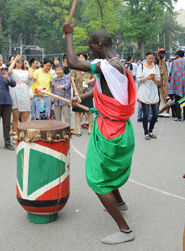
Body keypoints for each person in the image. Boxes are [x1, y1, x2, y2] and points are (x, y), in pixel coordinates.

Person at [64, 22, 137, 245]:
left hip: (110, 130)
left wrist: (69, 34)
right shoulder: (116, 64)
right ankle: (120, 204)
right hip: (117, 127)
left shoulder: (108, 66)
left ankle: (125, 230)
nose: (90, 52)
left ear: (98, 45)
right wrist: (82, 97)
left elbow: (73, 62)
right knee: (105, 170)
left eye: (90, 47)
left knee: (96, 178)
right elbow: (101, 89)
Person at [136, 50, 160, 140]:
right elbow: (138, 79)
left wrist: (154, 79)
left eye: (152, 58)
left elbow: (159, 80)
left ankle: (151, 130)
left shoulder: (156, 66)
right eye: (149, 58)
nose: (151, 60)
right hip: (144, 92)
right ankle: (146, 132)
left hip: (153, 92)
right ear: (146, 57)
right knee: (145, 115)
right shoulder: (141, 66)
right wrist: (147, 78)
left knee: (155, 114)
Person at [8, 55, 33, 137]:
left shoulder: (26, 71)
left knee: (24, 117)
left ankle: (23, 134)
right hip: (15, 92)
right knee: (15, 117)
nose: (19, 62)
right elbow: (9, 71)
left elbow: (31, 77)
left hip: (25, 93)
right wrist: (14, 60)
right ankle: (15, 135)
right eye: (18, 61)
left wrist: (28, 66)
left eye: (21, 61)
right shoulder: (13, 70)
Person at [71, 52, 95, 136]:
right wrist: (75, 91)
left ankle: (90, 129)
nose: (80, 59)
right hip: (78, 93)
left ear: (86, 58)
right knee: (78, 112)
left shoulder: (89, 67)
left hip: (87, 92)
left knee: (89, 111)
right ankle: (78, 130)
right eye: (79, 57)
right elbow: (72, 80)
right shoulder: (75, 67)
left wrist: (90, 81)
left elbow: (93, 77)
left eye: (82, 57)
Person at [168, 50, 185, 122]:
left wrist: (170, 81)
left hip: (176, 83)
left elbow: (171, 73)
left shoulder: (174, 62)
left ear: (178, 55)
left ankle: (179, 117)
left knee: (177, 100)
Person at [157, 49, 170, 117]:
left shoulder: (164, 61)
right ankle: (158, 110)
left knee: (165, 96)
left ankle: (163, 110)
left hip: (165, 83)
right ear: (158, 54)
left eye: (164, 53)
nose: (163, 54)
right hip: (159, 83)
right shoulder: (156, 61)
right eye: (161, 53)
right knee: (158, 97)